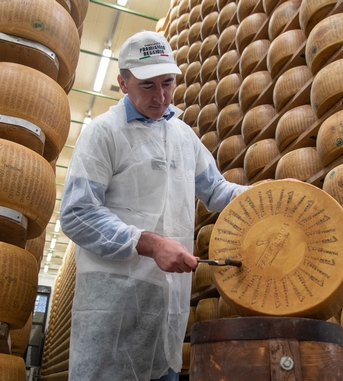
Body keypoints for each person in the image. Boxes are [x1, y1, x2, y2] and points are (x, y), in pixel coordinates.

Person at [60, 30, 250, 381]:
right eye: (147, 86)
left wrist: (266, 193)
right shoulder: (103, 133)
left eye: (168, 82)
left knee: (163, 370)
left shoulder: (183, 137)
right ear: (123, 82)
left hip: (167, 304)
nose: (160, 96)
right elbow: (77, 214)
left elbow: (218, 191)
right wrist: (149, 243)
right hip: (115, 304)